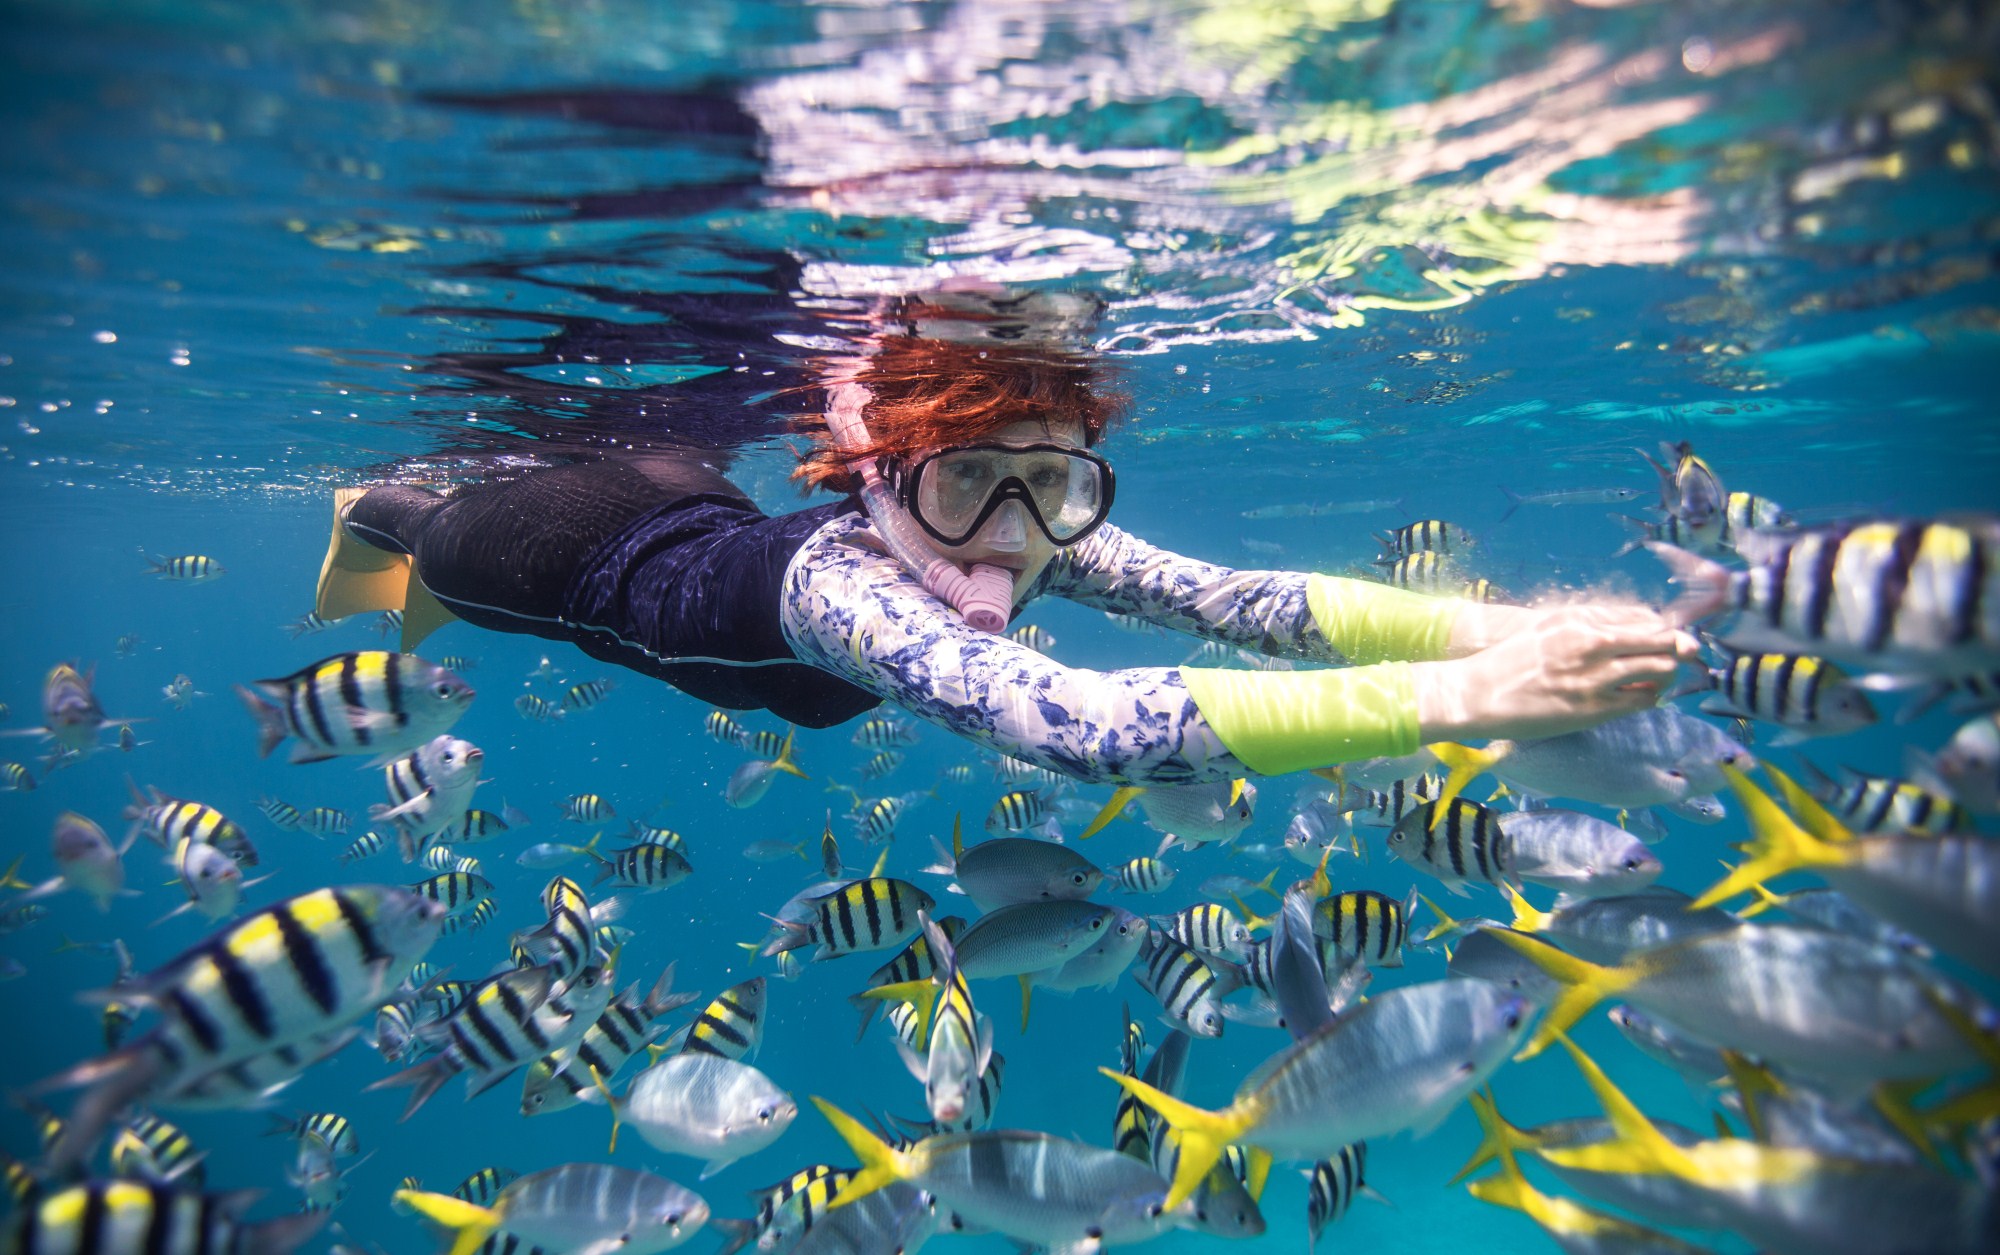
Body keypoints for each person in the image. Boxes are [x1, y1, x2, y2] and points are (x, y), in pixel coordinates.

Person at [317, 285, 1697, 785]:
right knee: (422, 529)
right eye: (975, 481)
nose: (1020, 536)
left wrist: (1499, 625)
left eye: (1061, 488)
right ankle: (372, 510)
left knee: (662, 453)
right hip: (544, 552)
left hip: (689, 503)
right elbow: (1075, 722)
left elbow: (1247, 604)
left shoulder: (1017, 524)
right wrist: (1461, 696)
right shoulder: (844, 592)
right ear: (878, 472)